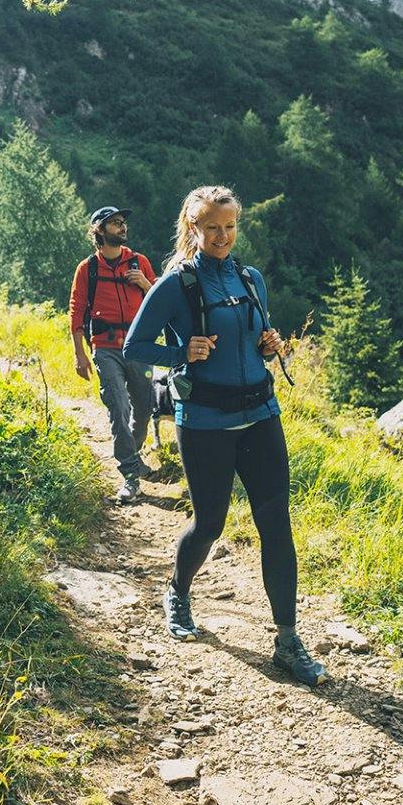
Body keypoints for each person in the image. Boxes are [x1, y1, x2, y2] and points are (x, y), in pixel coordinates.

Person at [123, 185, 327, 686]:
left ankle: (286, 639)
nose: (222, 236)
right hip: (206, 422)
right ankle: (178, 589)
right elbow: (134, 346)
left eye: (230, 226)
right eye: (212, 227)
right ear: (193, 227)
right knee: (210, 524)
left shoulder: (250, 278)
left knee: (276, 523)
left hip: (261, 412)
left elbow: (253, 339)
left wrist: (268, 341)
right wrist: (181, 353)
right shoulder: (176, 284)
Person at [70, 206, 158, 504]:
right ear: (100, 230)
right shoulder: (88, 269)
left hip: (139, 345)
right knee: (119, 406)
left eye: (123, 223)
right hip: (105, 348)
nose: (122, 228)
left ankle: (133, 454)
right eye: (115, 223)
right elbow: (77, 310)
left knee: (145, 406)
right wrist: (80, 354)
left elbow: (160, 301)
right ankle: (131, 475)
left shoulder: (140, 262)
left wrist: (144, 284)